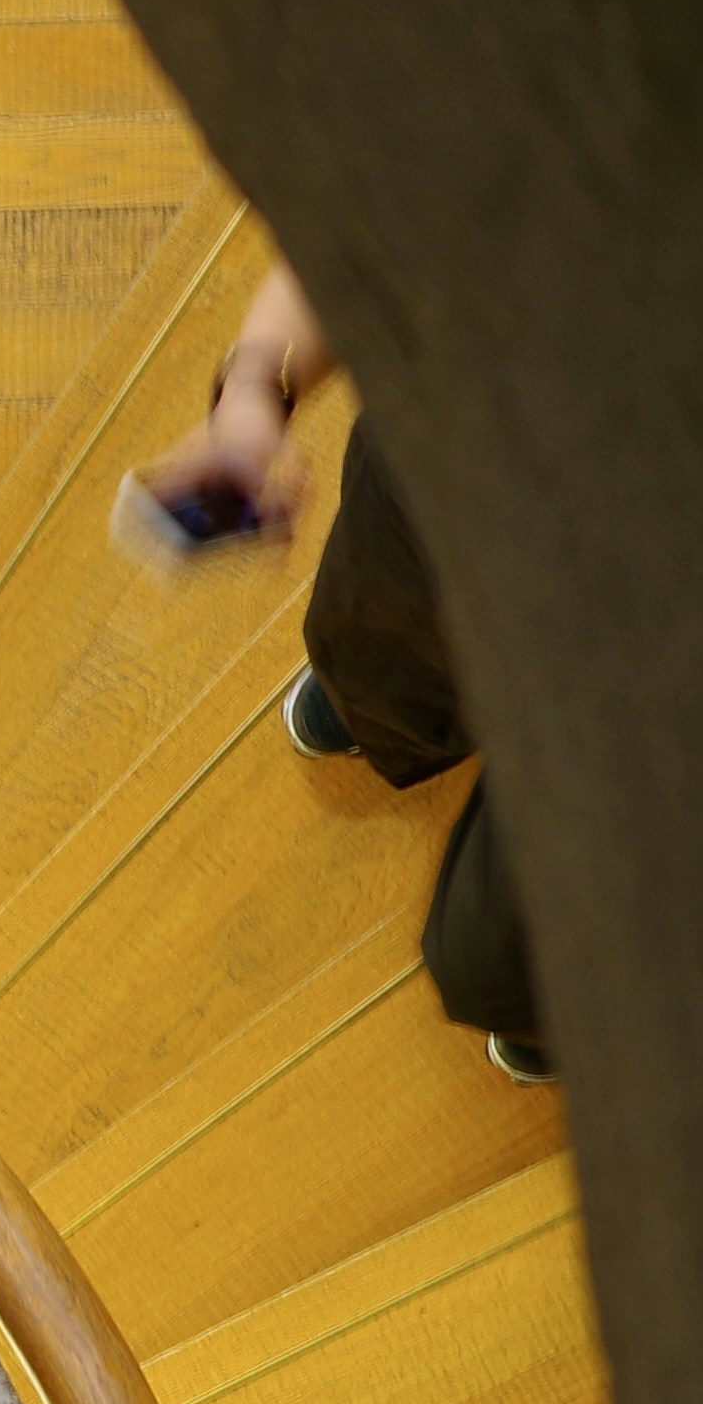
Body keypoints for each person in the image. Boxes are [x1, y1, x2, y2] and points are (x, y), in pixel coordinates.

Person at [127, 262, 554, 1083]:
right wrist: (255, 390)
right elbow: (364, 227)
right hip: (462, 455)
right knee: (381, 632)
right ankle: (389, 706)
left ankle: (528, 991)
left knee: (507, 944)